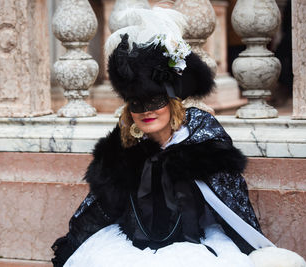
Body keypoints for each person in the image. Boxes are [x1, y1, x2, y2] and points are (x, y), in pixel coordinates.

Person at [51, 6, 278, 267]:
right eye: (137, 103)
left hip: (195, 247)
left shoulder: (200, 138)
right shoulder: (124, 146)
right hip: (127, 247)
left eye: (156, 100)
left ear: (172, 102)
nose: (146, 111)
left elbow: (233, 205)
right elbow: (100, 206)